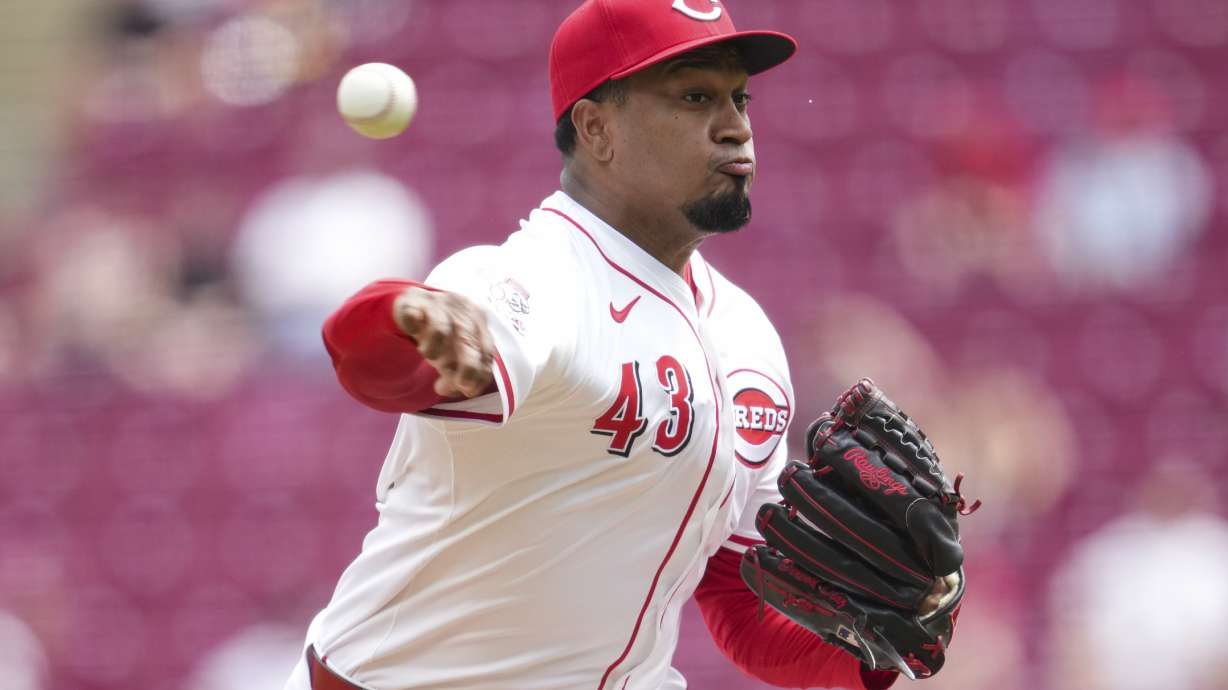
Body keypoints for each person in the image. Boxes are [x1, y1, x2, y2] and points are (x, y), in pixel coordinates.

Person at [286, 2, 898, 688]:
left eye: (738, 97)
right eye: (695, 96)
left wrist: (875, 649)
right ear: (597, 127)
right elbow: (383, 361)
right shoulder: (537, 279)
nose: (735, 126)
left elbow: (737, 595)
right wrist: (404, 315)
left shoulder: (747, 334)